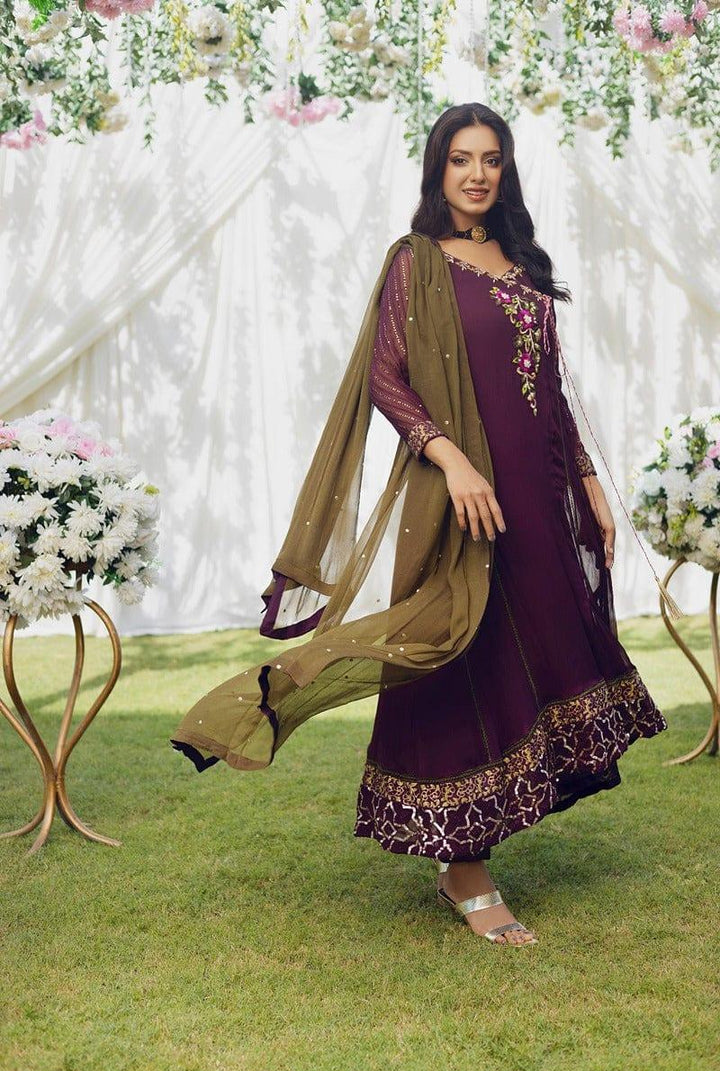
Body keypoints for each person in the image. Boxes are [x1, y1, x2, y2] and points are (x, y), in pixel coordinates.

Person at [172, 103, 667, 948]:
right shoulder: (417, 261)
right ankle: (465, 868)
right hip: (462, 499)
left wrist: (586, 479)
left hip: (539, 492)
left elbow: (550, 387)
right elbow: (386, 375)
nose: (477, 174)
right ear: (438, 168)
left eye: (492, 159)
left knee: (532, 654)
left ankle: (473, 844)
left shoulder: (521, 261)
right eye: (461, 159)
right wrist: (453, 460)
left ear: (506, 170)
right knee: (455, 653)